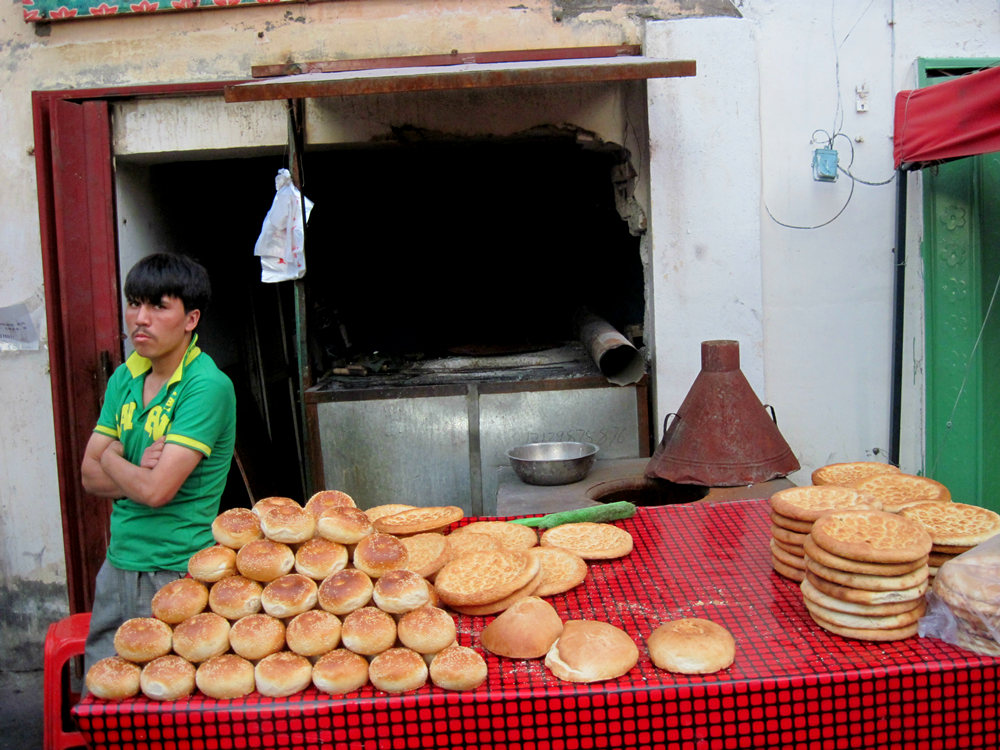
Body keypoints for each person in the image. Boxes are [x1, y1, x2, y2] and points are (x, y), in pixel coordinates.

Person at [80, 252, 236, 676]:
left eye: (158, 306)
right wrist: (131, 463)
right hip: (118, 565)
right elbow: (88, 476)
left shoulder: (206, 386)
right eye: (134, 303)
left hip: (178, 571)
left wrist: (111, 455)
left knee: (169, 703)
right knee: (105, 693)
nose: (140, 319)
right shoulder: (123, 378)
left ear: (191, 319)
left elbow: (155, 491)